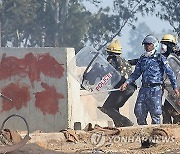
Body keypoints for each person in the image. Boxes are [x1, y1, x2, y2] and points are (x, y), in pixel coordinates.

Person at [120, 34, 179, 125]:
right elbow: (136, 74)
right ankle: (144, 132)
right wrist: (126, 83)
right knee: (138, 111)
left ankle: (156, 134)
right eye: (145, 45)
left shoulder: (161, 58)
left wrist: (175, 87)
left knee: (156, 113)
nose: (146, 46)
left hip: (155, 89)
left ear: (154, 45)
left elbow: (170, 73)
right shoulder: (142, 59)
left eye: (149, 44)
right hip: (144, 88)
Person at [98, 39, 137, 127]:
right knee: (114, 107)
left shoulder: (113, 59)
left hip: (123, 87)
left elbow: (107, 71)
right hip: (130, 87)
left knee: (107, 107)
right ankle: (119, 125)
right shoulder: (123, 60)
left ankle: (126, 122)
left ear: (109, 51)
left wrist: (98, 71)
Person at [160, 34, 180, 124]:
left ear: (171, 45)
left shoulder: (176, 56)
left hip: (178, 89)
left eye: (166, 44)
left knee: (176, 112)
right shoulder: (164, 57)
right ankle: (167, 132)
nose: (163, 46)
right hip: (171, 90)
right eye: (163, 44)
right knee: (166, 110)